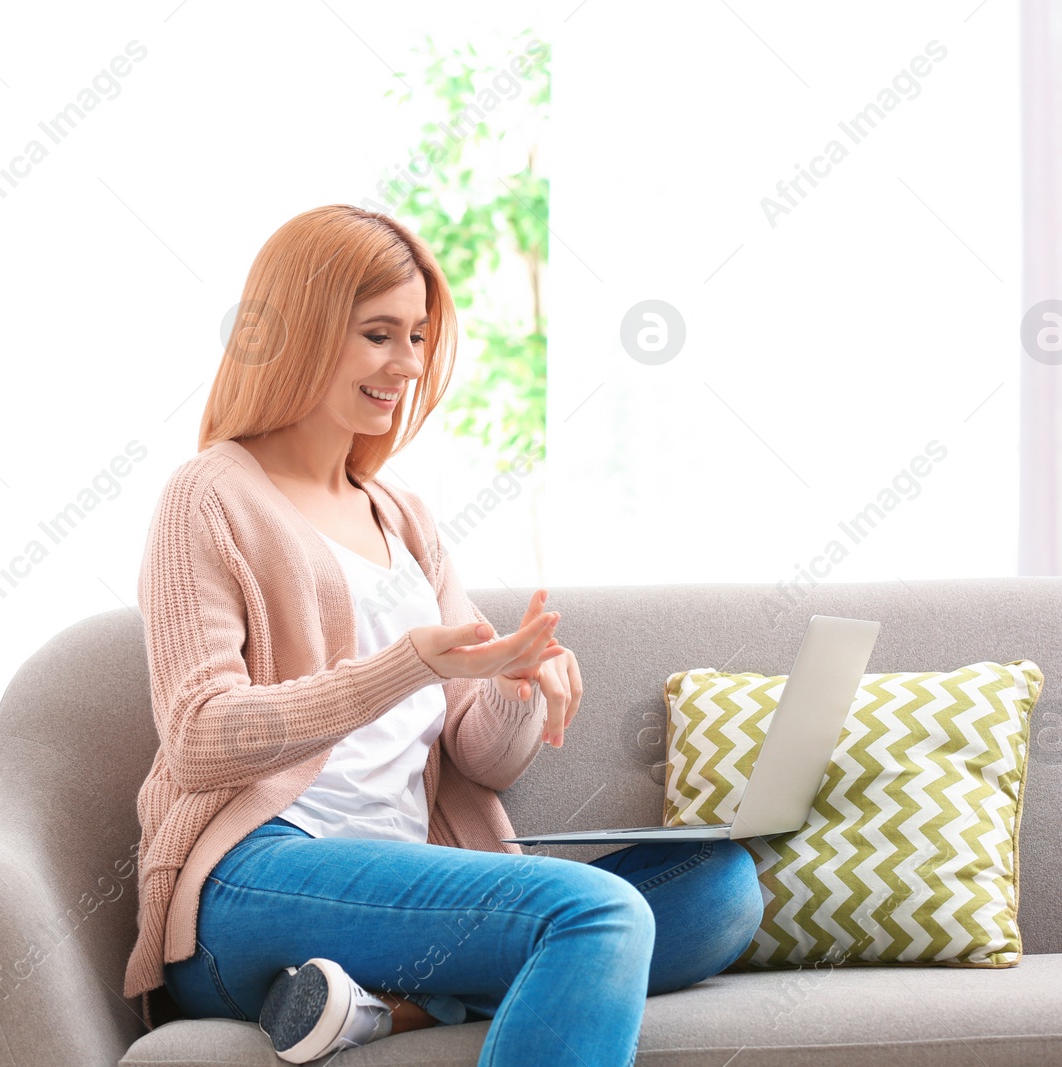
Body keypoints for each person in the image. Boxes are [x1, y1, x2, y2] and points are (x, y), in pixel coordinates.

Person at [122, 205, 765, 1066]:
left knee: (722, 889)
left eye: (419, 336)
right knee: (599, 914)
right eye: (379, 334)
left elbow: (482, 760)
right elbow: (200, 738)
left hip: (397, 883)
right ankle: (424, 995)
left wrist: (516, 687)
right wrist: (403, 664)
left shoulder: (404, 517)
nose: (409, 363)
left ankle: (387, 1008)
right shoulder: (210, 495)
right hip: (255, 878)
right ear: (304, 331)